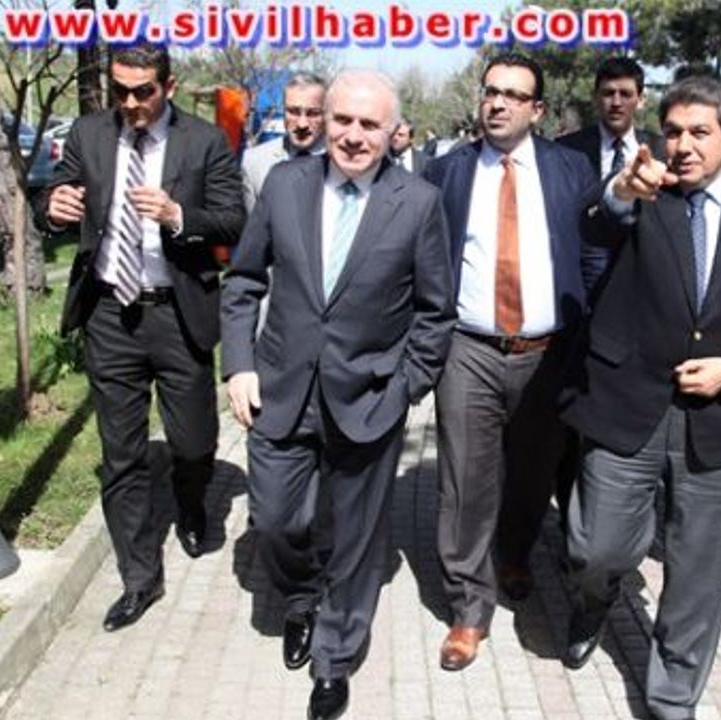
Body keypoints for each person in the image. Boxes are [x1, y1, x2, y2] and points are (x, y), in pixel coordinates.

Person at [560, 74, 721, 720]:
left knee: (698, 571)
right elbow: (593, 223)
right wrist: (620, 191)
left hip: (717, 417)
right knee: (597, 547)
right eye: (673, 132)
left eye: (700, 132)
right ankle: (594, 599)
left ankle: (673, 696)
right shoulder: (645, 191)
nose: (684, 146)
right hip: (627, 403)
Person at [221, 69, 455, 720]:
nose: (354, 136)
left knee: (356, 539)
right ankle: (300, 596)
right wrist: (238, 364)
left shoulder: (418, 203)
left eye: (369, 124)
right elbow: (243, 280)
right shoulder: (285, 184)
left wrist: (407, 386)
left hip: (371, 399)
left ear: (393, 132)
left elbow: (435, 312)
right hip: (280, 391)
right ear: (323, 120)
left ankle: (334, 656)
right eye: (343, 120)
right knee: (275, 521)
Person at [34, 42, 244, 632]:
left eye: (143, 91)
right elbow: (54, 195)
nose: (130, 103)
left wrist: (178, 216)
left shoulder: (204, 141)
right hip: (110, 314)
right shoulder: (90, 133)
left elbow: (233, 220)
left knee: (194, 442)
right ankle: (139, 578)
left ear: (168, 87)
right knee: (121, 455)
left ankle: (192, 500)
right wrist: (52, 207)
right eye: (120, 91)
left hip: (178, 314)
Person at [422, 52, 603, 673]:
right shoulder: (447, 172)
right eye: (490, 91)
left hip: (546, 353)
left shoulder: (570, 170)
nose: (497, 103)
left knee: (532, 471)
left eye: (513, 95)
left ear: (538, 110)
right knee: (464, 482)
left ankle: (516, 552)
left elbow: (592, 253)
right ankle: (468, 608)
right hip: (468, 348)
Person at [557, 56, 663, 179]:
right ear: (595, 98)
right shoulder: (567, 149)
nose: (616, 103)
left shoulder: (661, 150)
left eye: (625, 94)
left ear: (640, 100)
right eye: (608, 93)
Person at [241, 72, 327, 213]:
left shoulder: (342, 163)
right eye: (293, 112)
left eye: (313, 113)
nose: (302, 124)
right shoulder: (254, 162)